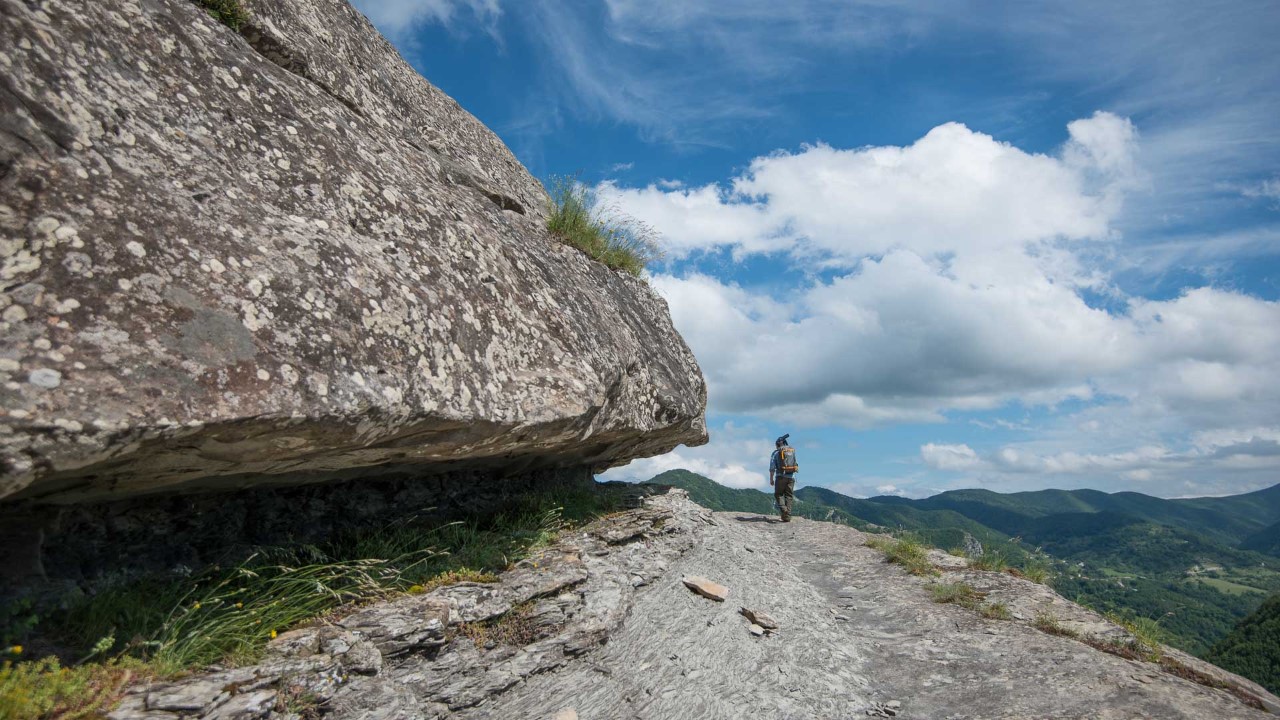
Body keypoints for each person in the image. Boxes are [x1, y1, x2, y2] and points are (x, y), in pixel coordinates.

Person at [769, 433, 798, 522]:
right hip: (791, 476)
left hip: (780, 476)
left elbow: (772, 468)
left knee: (778, 494)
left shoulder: (776, 453)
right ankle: (787, 517)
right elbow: (795, 463)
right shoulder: (791, 451)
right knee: (789, 496)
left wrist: (771, 479)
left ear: (777, 444)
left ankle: (784, 511)